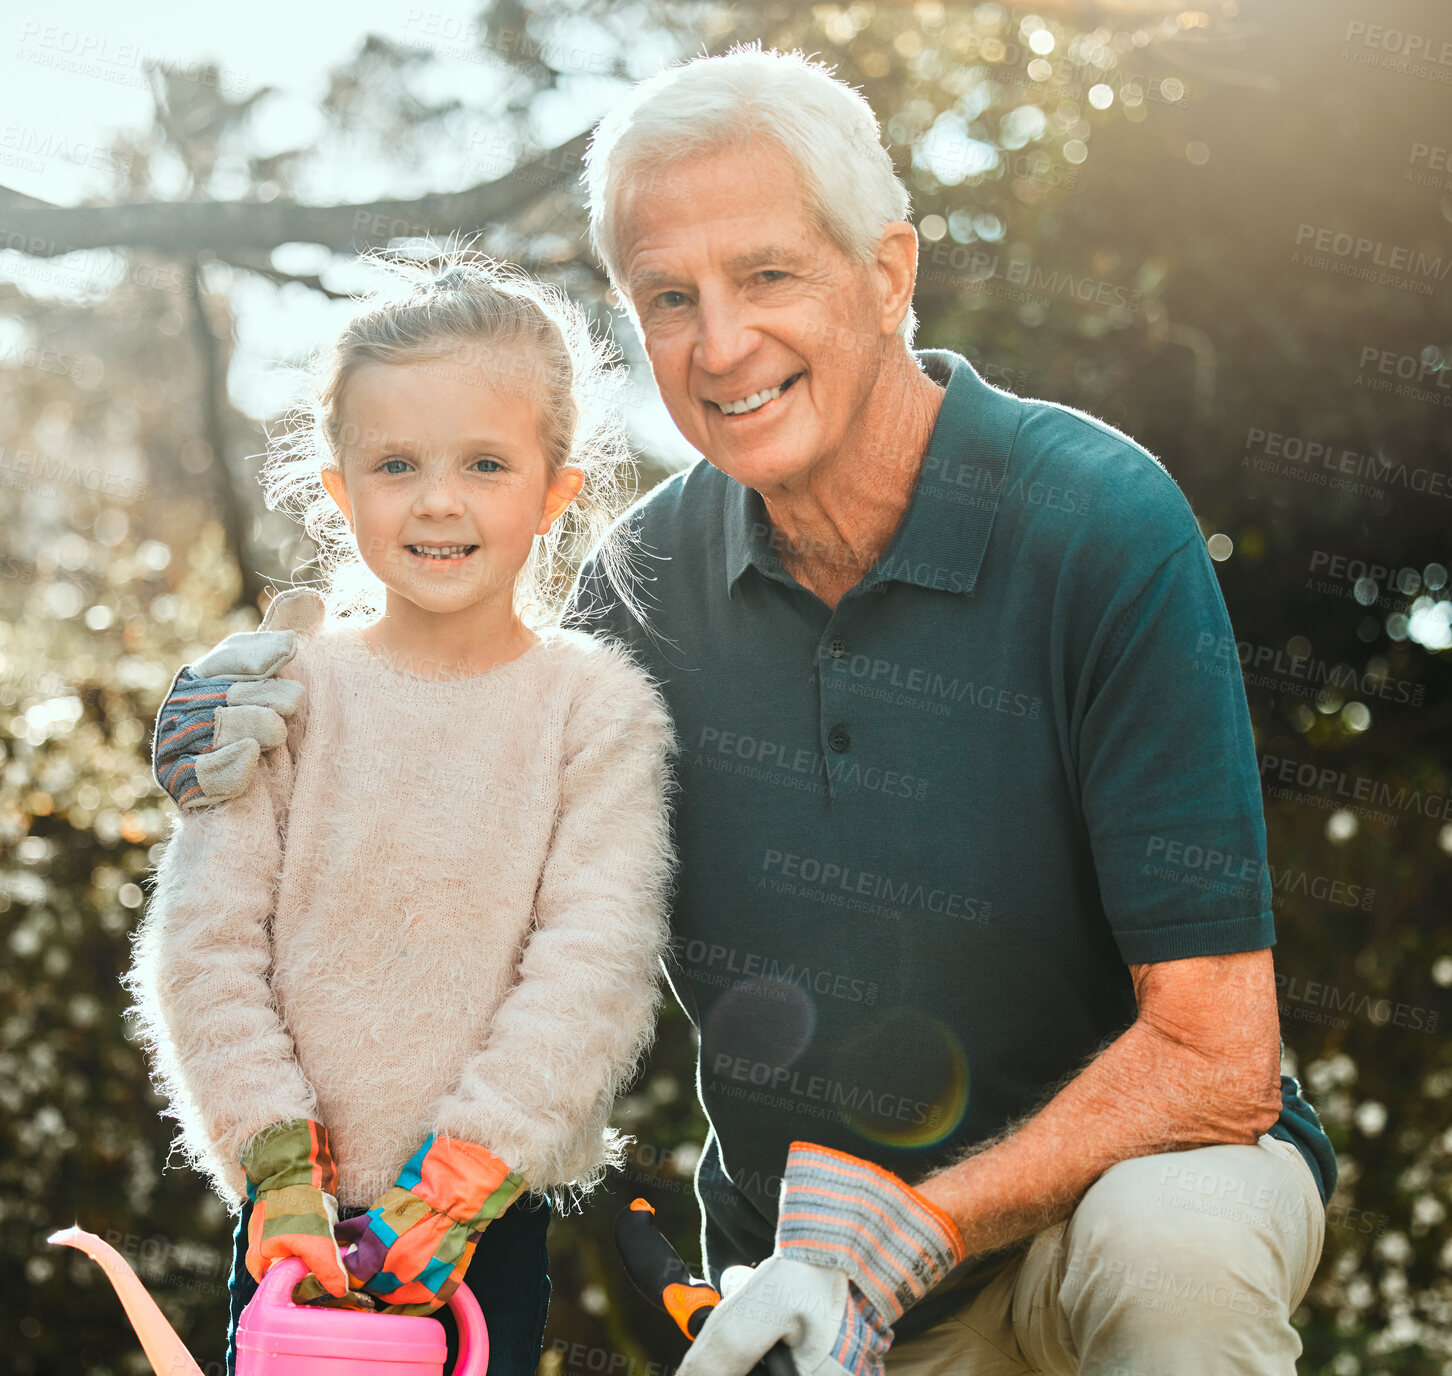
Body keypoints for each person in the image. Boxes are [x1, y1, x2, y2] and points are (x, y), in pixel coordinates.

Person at [148, 48, 1337, 1376]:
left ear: (888, 273)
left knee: (1176, 1250)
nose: (720, 346)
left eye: (769, 275)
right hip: (810, 1304)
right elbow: (449, 790)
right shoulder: (640, 597)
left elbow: (1217, 1056)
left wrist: (925, 1226)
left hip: (1103, 1211)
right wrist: (259, 731)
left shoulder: (1099, 523)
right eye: (670, 297)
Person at [124, 255, 677, 1376]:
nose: (438, 497)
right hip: (294, 1228)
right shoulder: (283, 693)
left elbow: (595, 956)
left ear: (554, 490)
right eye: (395, 463)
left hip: (485, 1220)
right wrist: (276, 1167)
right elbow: (206, 939)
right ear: (340, 488)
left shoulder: (594, 709)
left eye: (485, 461)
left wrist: (464, 1173)